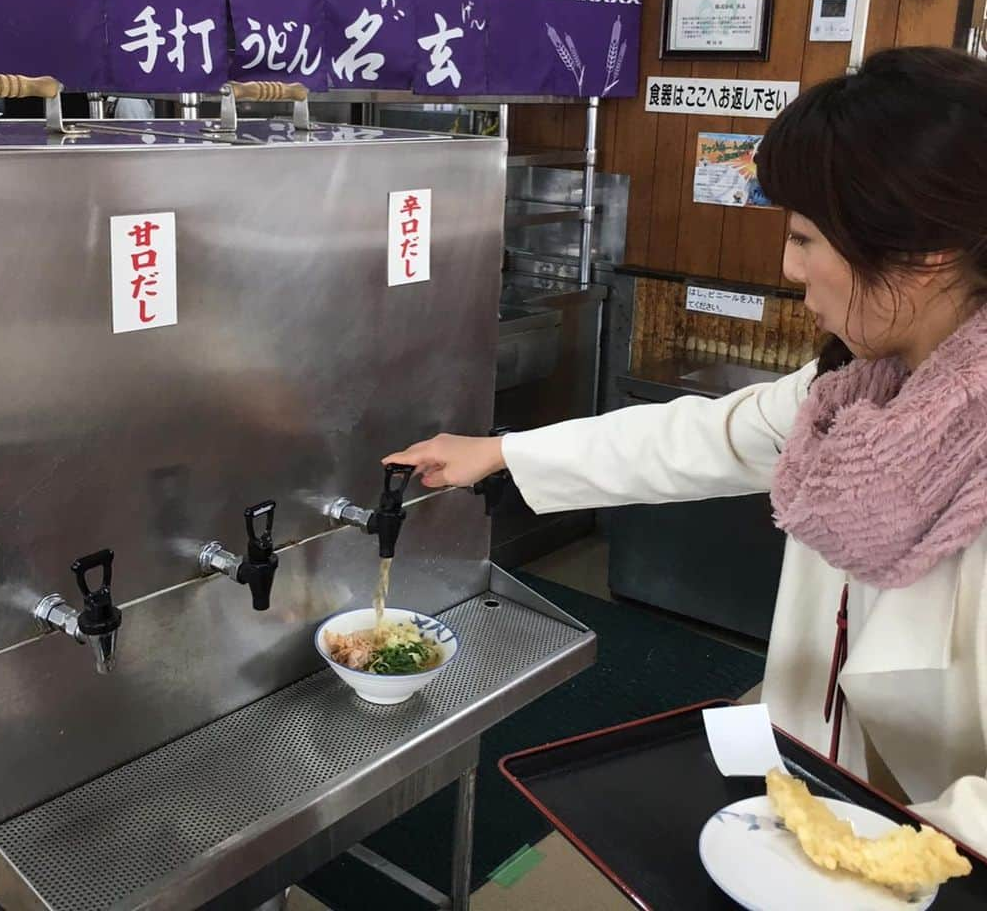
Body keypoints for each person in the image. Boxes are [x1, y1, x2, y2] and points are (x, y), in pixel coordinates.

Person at [384, 46, 987, 857]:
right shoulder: (858, 384)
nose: (787, 265)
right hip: (818, 786)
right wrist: (503, 454)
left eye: (807, 238)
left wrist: (915, 858)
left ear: (926, 252)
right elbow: (712, 432)